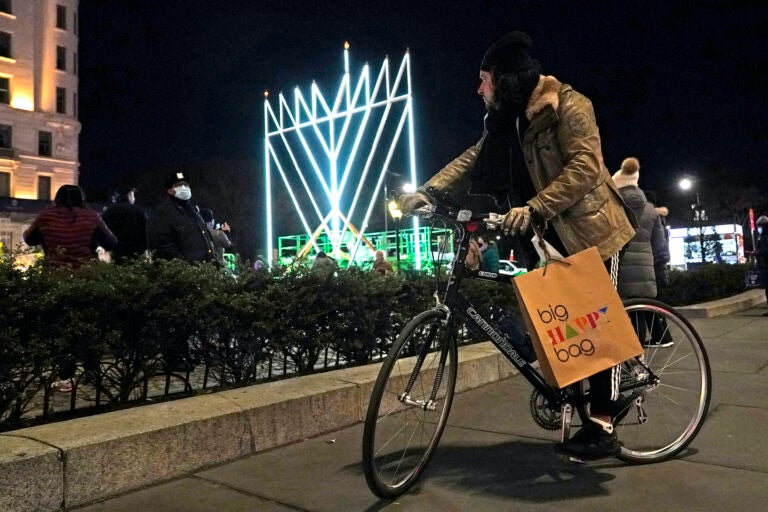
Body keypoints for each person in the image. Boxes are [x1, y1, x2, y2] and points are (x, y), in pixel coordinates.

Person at [398, 31, 635, 460]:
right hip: (543, 239)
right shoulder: (507, 121)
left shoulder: (568, 104)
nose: (479, 89)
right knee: (562, 328)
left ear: (505, 80)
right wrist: (429, 191)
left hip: (589, 232)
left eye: (484, 79)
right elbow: (475, 156)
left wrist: (537, 205)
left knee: (597, 330)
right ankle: (573, 401)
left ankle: (603, 423)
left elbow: (586, 166)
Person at [613, 158, 672, 346]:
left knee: (627, 311)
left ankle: (632, 352)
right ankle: (639, 353)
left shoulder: (613, 206)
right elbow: (659, 243)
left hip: (619, 265)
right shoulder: (651, 211)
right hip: (646, 266)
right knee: (641, 306)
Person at [23, 184, 118, 269]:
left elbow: (29, 239)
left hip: (53, 274)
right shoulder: (91, 217)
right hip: (85, 275)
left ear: (57, 198)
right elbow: (110, 243)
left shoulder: (45, 216)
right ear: (81, 199)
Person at [148, 172, 215, 263]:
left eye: (186, 185)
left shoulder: (194, 211)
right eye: (178, 185)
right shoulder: (163, 212)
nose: (184, 188)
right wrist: (184, 264)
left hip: (204, 269)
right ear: (169, 190)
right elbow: (161, 245)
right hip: (185, 273)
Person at [102, 186, 148, 262]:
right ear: (128, 196)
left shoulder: (109, 211)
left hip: (116, 251)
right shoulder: (138, 211)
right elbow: (145, 231)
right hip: (136, 250)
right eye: (132, 195)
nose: (134, 198)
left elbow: (103, 232)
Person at [754, 215, 768, 315]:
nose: (759, 229)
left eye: (759, 226)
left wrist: (758, 253)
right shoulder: (763, 236)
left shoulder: (766, 235)